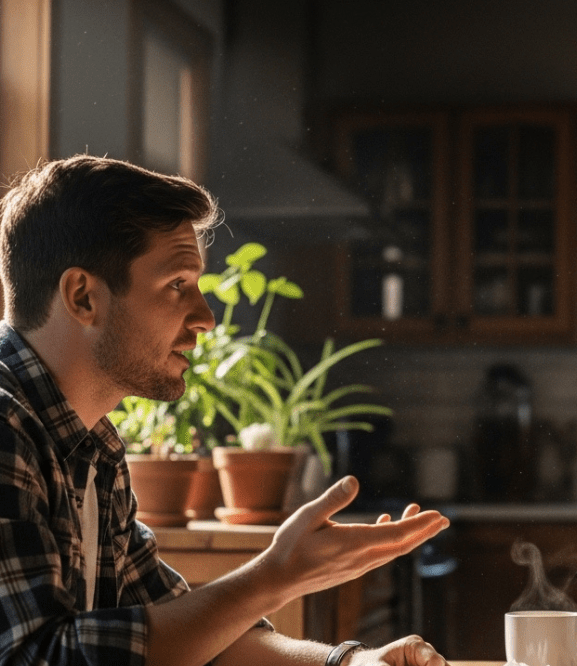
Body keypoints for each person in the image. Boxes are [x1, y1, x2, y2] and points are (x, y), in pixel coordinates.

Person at [0, 155, 451, 666]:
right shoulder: (5, 426)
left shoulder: (91, 448)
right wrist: (275, 577)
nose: (206, 319)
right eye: (177, 285)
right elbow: (36, 657)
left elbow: (186, 629)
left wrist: (348, 664)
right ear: (84, 297)